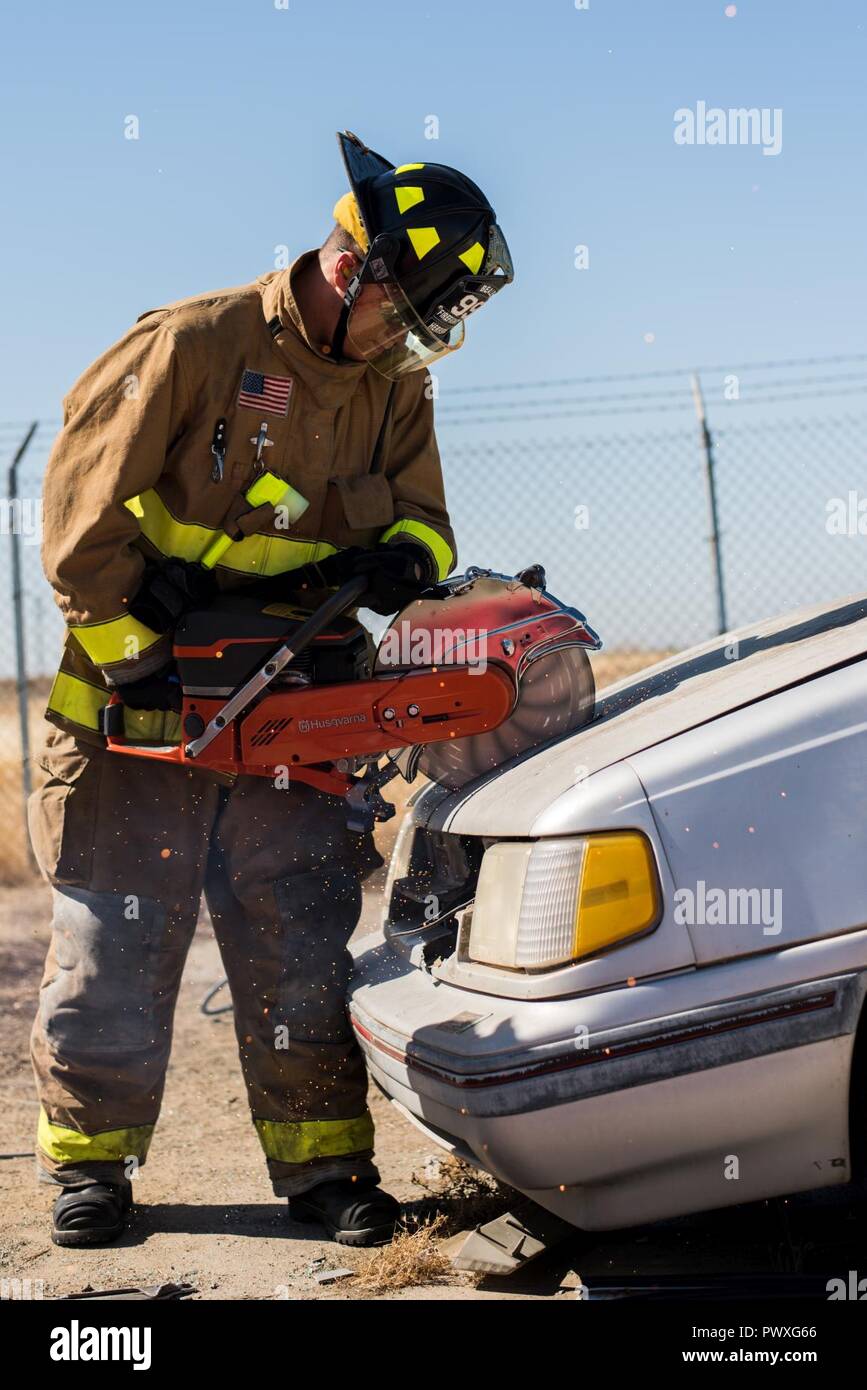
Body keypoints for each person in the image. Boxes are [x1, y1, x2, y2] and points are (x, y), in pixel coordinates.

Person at [29, 130, 513, 1248]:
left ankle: (326, 1170)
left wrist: (400, 555)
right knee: (113, 939)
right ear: (354, 268)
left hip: (299, 707)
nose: (407, 343)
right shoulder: (192, 345)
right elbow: (76, 526)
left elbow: (423, 518)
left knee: (295, 938)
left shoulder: (394, 384)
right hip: (132, 702)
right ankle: (92, 1168)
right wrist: (140, 652)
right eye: (405, 314)